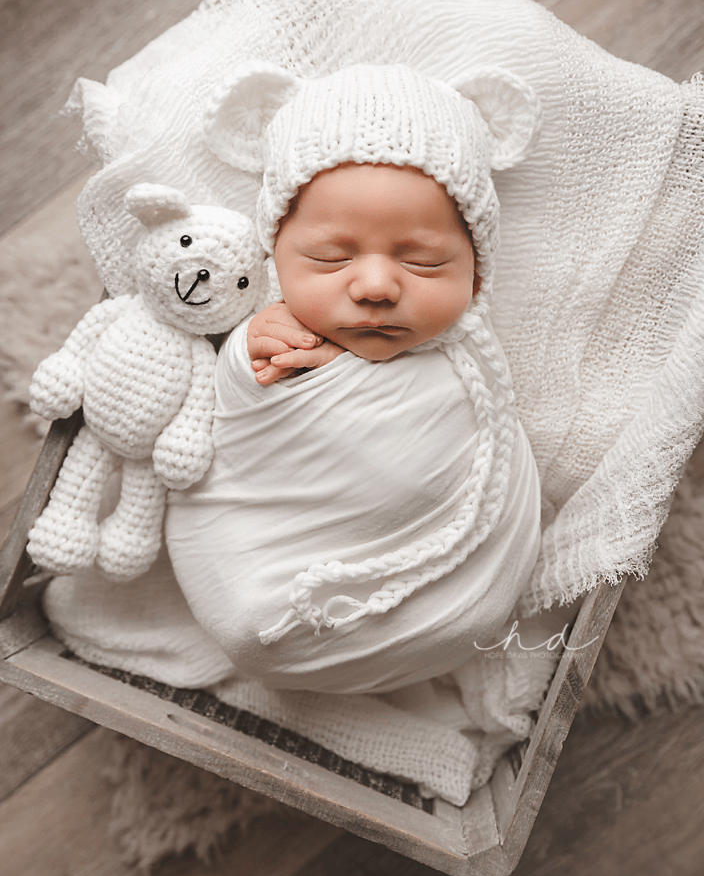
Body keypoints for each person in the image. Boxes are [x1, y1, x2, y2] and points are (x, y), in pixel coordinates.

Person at [165, 62, 544, 695]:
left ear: (476, 275)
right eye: (330, 258)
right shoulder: (272, 333)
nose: (374, 286)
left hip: (458, 609)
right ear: (275, 259)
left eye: (423, 263)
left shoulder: (471, 376)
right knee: (250, 617)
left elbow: (461, 450)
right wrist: (246, 352)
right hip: (256, 569)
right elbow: (224, 421)